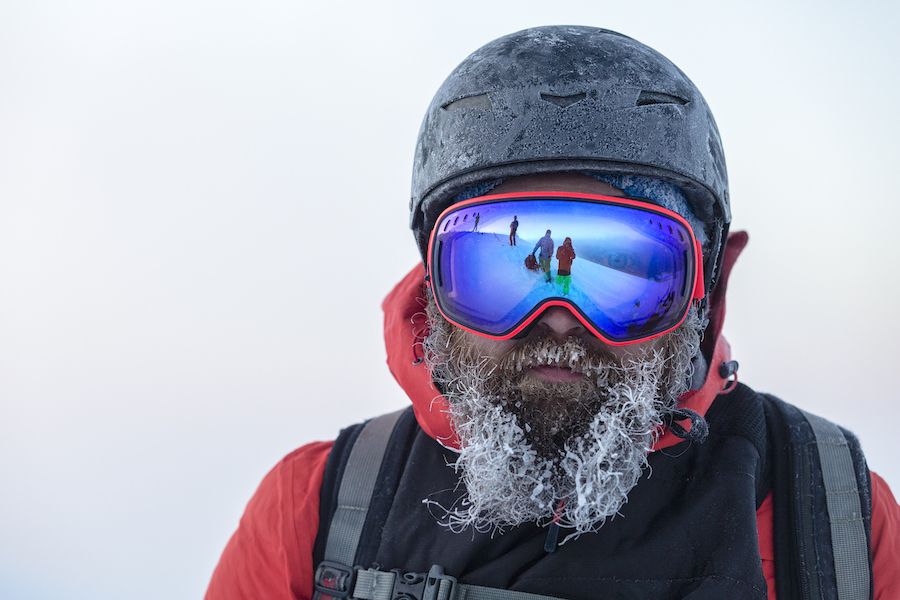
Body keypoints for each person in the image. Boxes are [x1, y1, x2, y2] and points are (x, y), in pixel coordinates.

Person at [205, 26, 900, 600]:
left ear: (703, 290)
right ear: (434, 293)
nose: (559, 317)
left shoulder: (832, 516)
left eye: (624, 267)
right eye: (500, 269)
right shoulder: (317, 515)